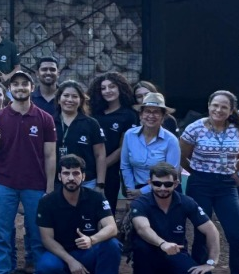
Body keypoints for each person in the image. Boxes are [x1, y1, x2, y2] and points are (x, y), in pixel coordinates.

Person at [0, 69, 56, 274]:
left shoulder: (44, 118)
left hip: (35, 184)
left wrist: (50, 187)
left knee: (38, 234)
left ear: (31, 88)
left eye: (24, 84)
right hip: (4, 183)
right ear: (10, 89)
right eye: (15, 84)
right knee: (1, 233)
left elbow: (50, 156)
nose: (20, 88)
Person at [180, 90, 239, 274]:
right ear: (209, 105)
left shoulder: (238, 130)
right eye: (215, 105)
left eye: (224, 107)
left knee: (235, 235)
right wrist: (197, 172)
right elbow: (182, 156)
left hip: (226, 186)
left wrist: (229, 171)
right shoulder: (195, 128)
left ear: (231, 111)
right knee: (202, 235)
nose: (218, 110)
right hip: (200, 184)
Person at [34, 155, 122, 274]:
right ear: (60, 177)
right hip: (61, 255)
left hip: (89, 251)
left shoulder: (96, 197)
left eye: (76, 173)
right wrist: (70, 261)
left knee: (112, 245)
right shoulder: (47, 202)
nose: (71, 178)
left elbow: (112, 228)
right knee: (45, 266)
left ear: (83, 176)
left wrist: (92, 240)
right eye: (66, 173)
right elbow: (47, 239)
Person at [130, 162, 218, 274]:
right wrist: (162, 244)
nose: (162, 188)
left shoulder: (186, 202)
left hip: (176, 252)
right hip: (149, 252)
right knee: (141, 248)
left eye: (167, 184)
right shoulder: (141, 203)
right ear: (149, 183)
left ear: (176, 183)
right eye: (157, 183)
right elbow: (142, 229)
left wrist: (211, 263)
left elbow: (211, 230)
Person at [89, 72, 137, 212]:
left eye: (112, 86)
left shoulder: (129, 115)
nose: (107, 91)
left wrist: (101, 165)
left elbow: (123, 148)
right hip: (88, 169)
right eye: (103, 88)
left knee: (106, 210)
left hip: (111, 171)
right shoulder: (93, 112)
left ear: (120, 88)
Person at [120, 92, 181, 200]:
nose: (151, 116)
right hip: (135, 189)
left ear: (163, 117)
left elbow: (172, 173)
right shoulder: (129, 135)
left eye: (156, 112)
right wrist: (131, 191)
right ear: (141, 115)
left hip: (163, 190)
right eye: (147, 111)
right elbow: (125, 166)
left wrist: (142, 191)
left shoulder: (171, 140)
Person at [53, 80, 104, 192]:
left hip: (86, 182)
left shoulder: (91, 123)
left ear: (81, 100)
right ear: (58, 99)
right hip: (57, 182)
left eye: (74, 96)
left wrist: (100, 184)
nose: (70, 100)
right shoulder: (50, 121)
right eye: (66, 95)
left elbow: (100, 155)